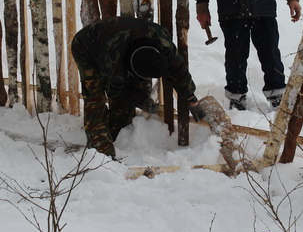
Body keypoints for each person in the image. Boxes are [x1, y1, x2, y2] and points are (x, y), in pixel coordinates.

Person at [71, 16, 205, 157]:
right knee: (94, 96)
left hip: (121, 41)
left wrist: (190, 96)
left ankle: (118, 133)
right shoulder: (114, 60)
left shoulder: (162, 42)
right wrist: (141, 99)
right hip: (86, 47)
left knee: (126, 97)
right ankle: (99, 149)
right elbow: (116, 90)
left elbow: (178, 69)